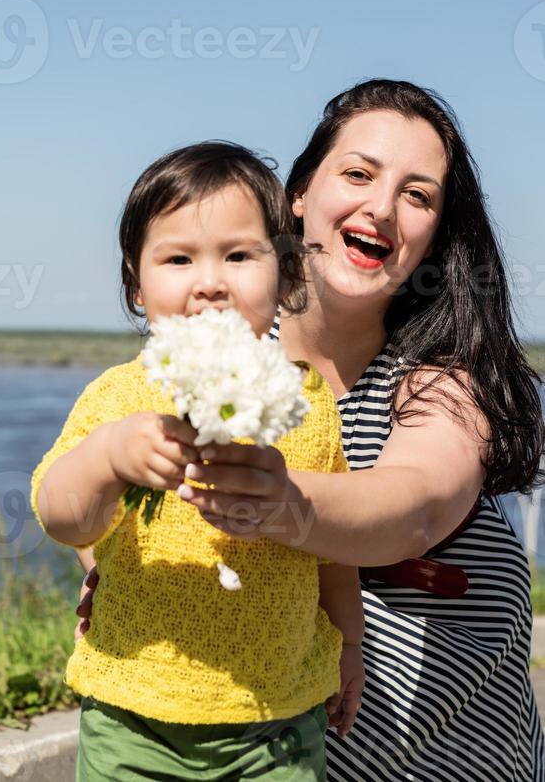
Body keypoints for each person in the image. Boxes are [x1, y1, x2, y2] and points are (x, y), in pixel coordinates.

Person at [167, 80, 545, 780]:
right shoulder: (219, 355)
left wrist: (279, 504)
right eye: (358, 174)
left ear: (435, 235)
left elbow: (415, 506)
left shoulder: (441, 379)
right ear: (298, 195)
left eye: (417, 195)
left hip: (455, 754)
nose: (380, 207)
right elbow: (127, 468)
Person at [30, 142, 365, 781]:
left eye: (240, 256)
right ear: (135, 283)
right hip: (134, 720)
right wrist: (107, 457)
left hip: (278, 724)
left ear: (288, 275)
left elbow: (333, 557)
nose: (210, 281)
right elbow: (62, 517)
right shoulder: (119, 397)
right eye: (178, 258)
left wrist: (348, 647)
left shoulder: (302, 404)